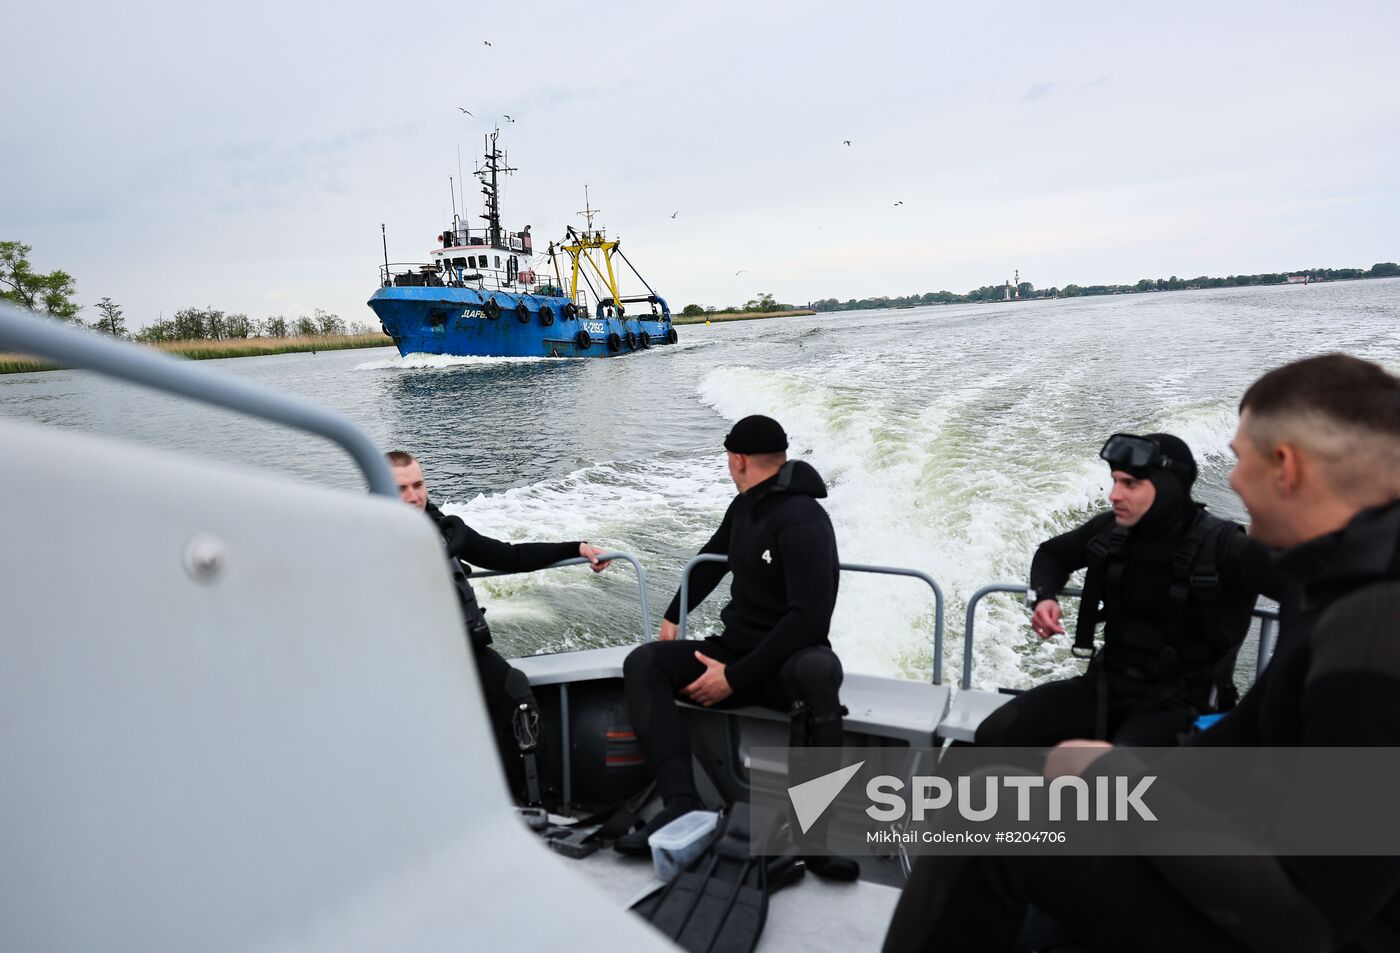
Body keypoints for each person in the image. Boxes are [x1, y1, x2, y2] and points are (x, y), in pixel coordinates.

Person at [885, 353, 1400, 952]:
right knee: (1002, 771)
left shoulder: (1375, 625)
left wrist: (1112, 776)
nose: (1231, 480)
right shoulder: (1339, 589)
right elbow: (1244, 752)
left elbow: (1312, 917)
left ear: (1284, 466)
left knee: (999, 824)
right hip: (1180, 761)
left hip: (1291, 914)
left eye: (1238, 459)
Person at [616, 415, 858, 880]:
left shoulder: (805, 518)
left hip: (789, 660)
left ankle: (815, 837)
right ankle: (682, 807)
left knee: (818, 675)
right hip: (735, 651)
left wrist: (734, 677)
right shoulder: (745, 507)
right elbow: (711, 560)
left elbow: (809, 618)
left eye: (729, 460)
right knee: (645, 663)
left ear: (738, 459)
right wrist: (673, 613)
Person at [975, 432, 1290, 748]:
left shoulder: (1225, 547)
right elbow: (1051, 555)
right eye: (1114, 481)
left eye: (1130, 484)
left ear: (1168, 486)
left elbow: (1307, 596)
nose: (1114, 494)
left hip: (1182, 707)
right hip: (1105, 687)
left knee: (1113, 772)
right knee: (995, 731)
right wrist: (1043, 597)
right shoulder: (1111, 531)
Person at [388, 450, 611, 804]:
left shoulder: (444, 528)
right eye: (402, 489)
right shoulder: (369, 537)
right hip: (405, 657)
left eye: (419, 485)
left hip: (461, 648)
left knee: (515, 694)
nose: (414, 496)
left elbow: (509, 556)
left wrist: (577, 547)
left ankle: (533, 800)